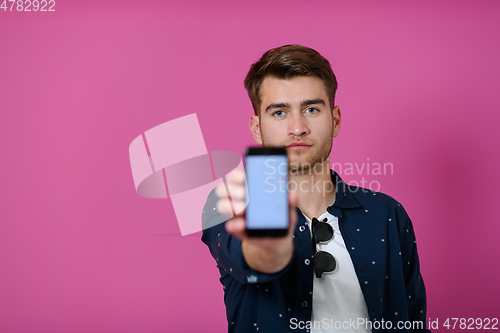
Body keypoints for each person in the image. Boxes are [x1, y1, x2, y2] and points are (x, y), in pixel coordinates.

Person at [201, 45, 430, 333]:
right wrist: (269, 243)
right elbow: (253, 258)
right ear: (257, 127)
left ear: (334, 120)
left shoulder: (387, 214)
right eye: (279, 112)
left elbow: (412, 322)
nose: (298, 128)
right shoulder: (232, 201)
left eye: (311, 109)